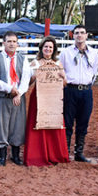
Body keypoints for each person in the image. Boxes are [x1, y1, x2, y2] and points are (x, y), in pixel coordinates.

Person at [24, 36, 69, 166]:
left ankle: (54, 154)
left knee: (53, 126)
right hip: (38, 97)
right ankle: (37, 155)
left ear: (53, 49)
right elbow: (28, 83)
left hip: (53, 98)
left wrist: (62, 77)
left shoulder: (58, 64)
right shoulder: (35, 63)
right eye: (46, 46)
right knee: (37, 125)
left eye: (50, 47)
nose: (48, 49)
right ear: (41, 48)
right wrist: (34, 76)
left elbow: (65, 83)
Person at [0, 31, 31, 166]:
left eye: (14, 41)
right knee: (1, 125)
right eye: (9, 41)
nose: (12, 44)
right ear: (3, 43)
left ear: (17, 44)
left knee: (17, 125)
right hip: (3, 96)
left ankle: (15, 155)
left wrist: (19, 93)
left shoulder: (23, 59)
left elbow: (26, 79)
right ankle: (2, 156)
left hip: (18, 98)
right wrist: (9, 89)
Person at [59, 24, 98, 162]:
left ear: (87, 35)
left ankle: (78, 152)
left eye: (82, 32)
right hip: (70, 90)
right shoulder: (66, 53)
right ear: (73, 35)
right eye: (77, 33)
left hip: (86, 92)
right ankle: (65, 152)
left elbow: (93, 72)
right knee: (68, 122)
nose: (79, 35)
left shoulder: (93, 53)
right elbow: (61, 70)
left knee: (83, 122)